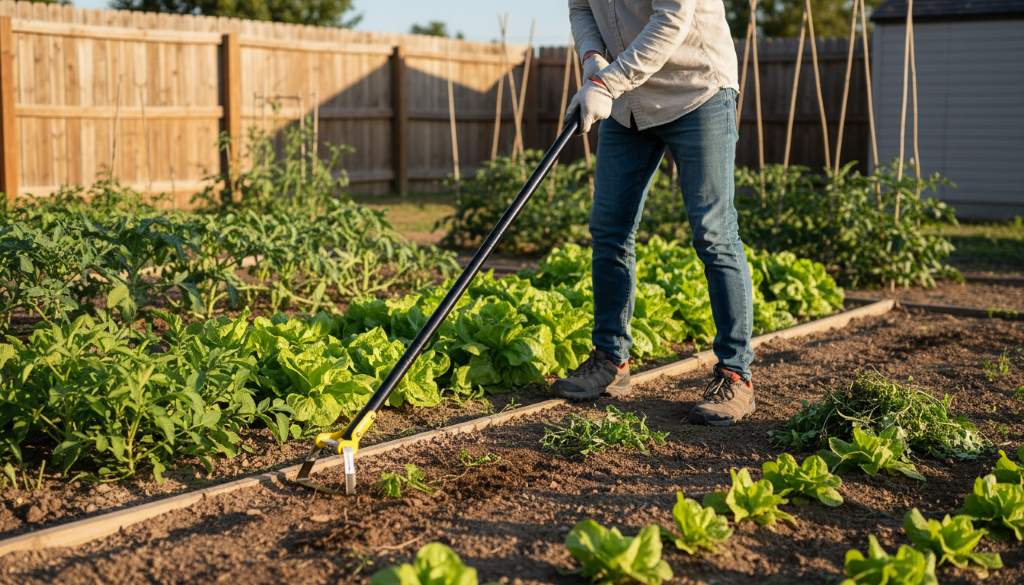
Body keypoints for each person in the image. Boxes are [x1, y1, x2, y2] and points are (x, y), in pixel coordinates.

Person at [552, 0, 755, 426]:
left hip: (695, 89)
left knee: (713, 233)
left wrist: (608, 83)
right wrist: (592, 59)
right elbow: (581, 9)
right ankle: (611, 361)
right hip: (629, 102)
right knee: (609, 229)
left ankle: (735, 374)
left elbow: (672, 18)